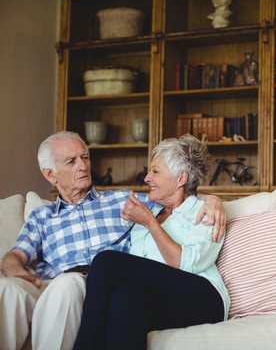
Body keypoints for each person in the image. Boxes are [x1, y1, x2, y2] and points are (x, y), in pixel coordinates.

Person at [0, 131, 226, 350]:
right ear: (50, 174)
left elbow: (180, 197)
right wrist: (13, 268)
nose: (83, 165)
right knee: (125, 299)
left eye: (85, 157)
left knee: (103, 263)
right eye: (71, 161)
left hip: (105, 280)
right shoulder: (42, 217)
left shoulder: (123, 202)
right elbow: (16, 254)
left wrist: (213, 199)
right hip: (98, 286)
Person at [73, 135, 230, 350]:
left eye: (155, 172)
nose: (147, 178)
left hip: (204, 298)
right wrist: (148, 220)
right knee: (125, 297)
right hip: (163, 300)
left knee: (106, 261)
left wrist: (149, 222)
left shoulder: (203, 212)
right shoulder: (148, 214)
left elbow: (187, 263)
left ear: (181, 178)